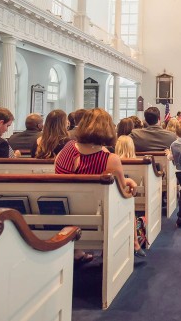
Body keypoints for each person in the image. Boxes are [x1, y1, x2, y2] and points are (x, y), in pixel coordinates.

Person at [55, 108, 145, 259]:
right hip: (97, 218)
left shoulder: (67, 148)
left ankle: (77, 251)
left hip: (64, 212)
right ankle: (134, 244)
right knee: (129, 196)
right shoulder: (109, 159)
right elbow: (121, 191)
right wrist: (130, 183)